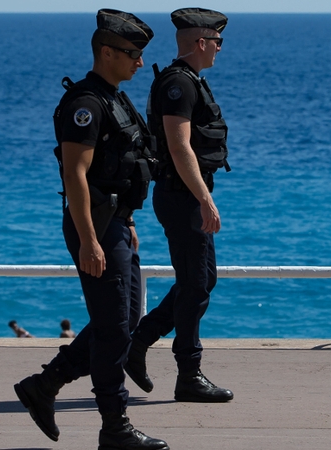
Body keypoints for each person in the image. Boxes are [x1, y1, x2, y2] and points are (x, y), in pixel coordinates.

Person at [14, 10, 168, 450]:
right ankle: (114, 426)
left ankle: (44, 386)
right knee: (115, 328)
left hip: (116, 223)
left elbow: (120, 168)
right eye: (133, 54)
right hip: (95, 226)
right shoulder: (85, 104)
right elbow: (75, 176)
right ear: (107, 51)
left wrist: (129, 221)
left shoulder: (116, 97)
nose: (140, 62)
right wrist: (88, 240)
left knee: (119, 322)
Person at [124, 8, 235, 404]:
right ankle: (188, 372)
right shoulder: (178, 84)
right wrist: (204, 199)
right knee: (196, 283)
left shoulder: (190, 81)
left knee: (202, 281)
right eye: (218, 42)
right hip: (182, 196)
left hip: (187, 193)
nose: (221, 49)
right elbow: (178, 145)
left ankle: (138, 344)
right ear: (200, 42)